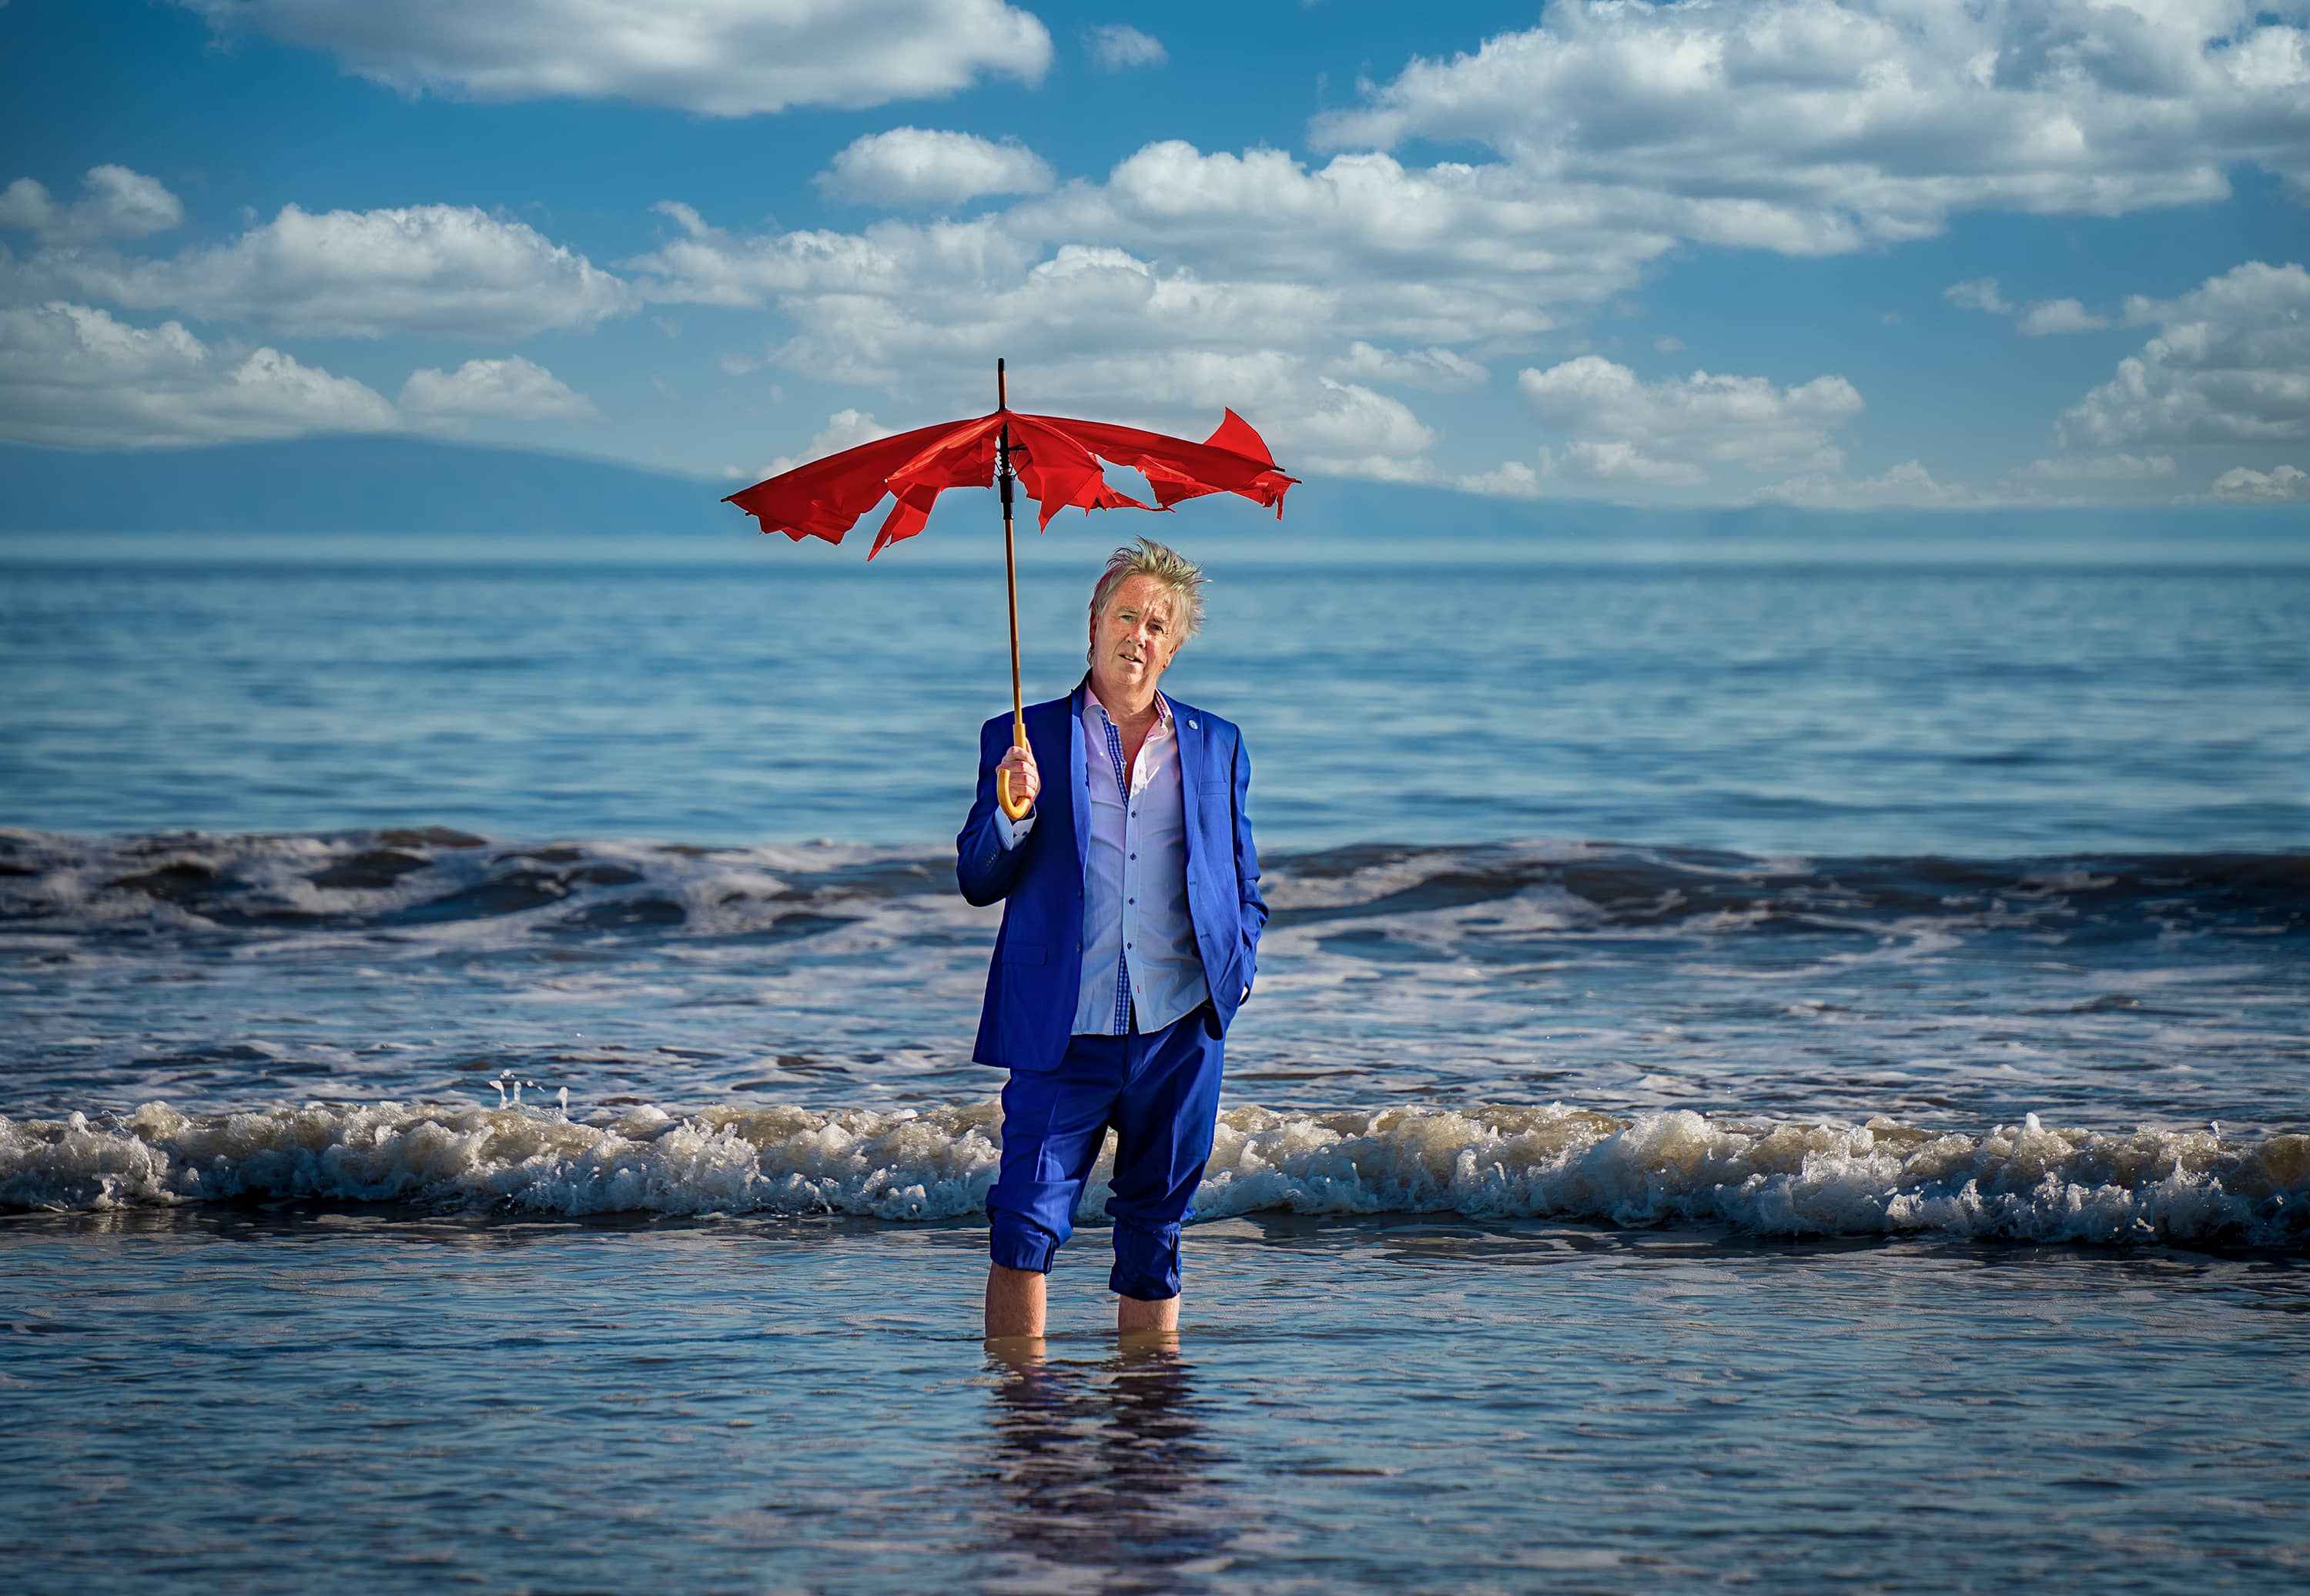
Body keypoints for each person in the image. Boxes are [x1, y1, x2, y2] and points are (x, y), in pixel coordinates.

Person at [956, 536, 1265, 1341]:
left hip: (1179, 1028)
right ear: (1092, 626)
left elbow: (1241, 881)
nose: (1140, 634)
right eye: (1126, 615)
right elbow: (977, 878)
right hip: (1064, 1027)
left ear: (1178, 642)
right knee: (1023, 1225)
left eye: (1158, 624)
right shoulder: (1020, 737)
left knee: (1154, 1238)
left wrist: (1234, 977)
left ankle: (1147, 1429)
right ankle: (1024, 1429)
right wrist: (1012, 815)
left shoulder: (1216, 742)